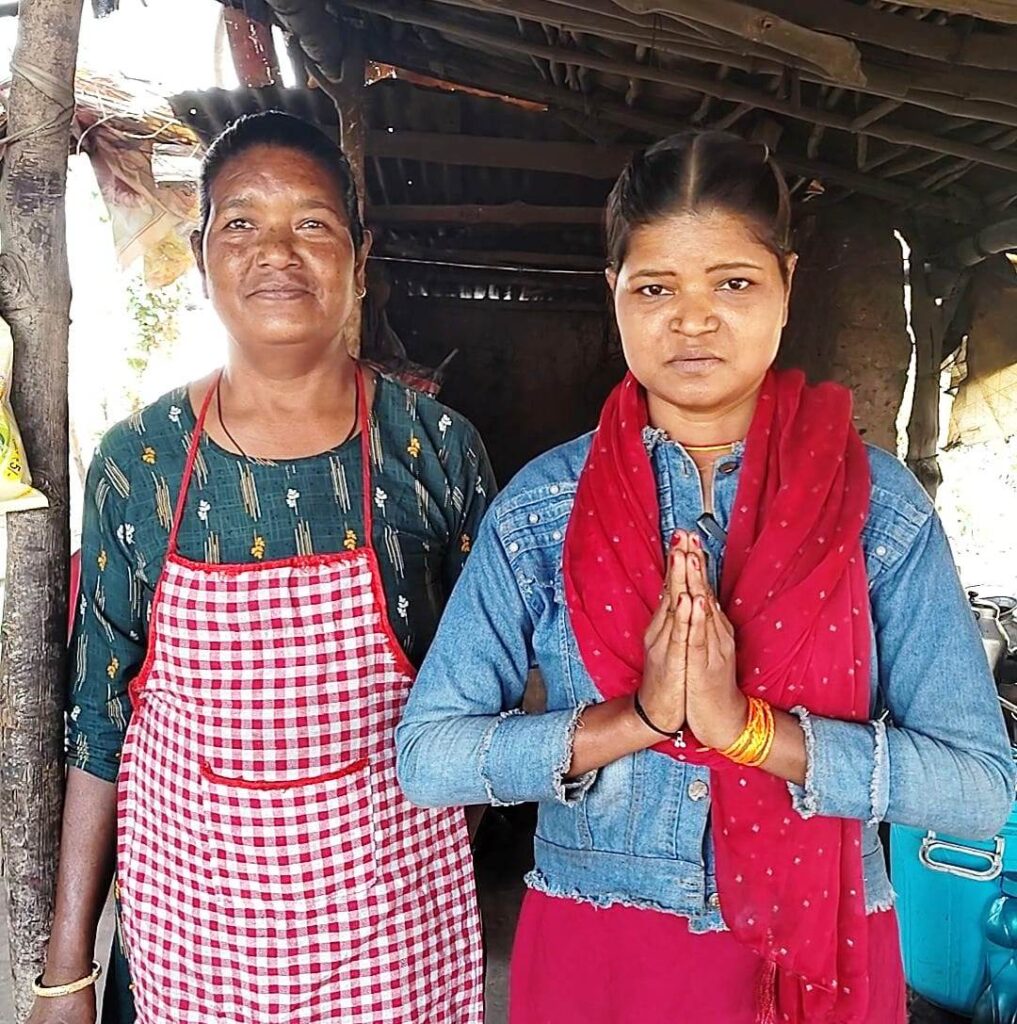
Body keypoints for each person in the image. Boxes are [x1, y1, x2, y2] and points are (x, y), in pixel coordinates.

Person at [395, 130, 1015, 1024]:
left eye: (732, 283)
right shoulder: (542, 510)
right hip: (600, 950)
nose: (692, 320)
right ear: (613, 292)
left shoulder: (875, 509)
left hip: (818, 946)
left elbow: (977, 786)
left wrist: (752, 733)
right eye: (655, 287)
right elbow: (428, 757)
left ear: (785, 286)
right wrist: (636, 720)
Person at [32, 111, 492, 1024]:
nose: (276, 251)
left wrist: (424, 854)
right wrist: (67, 968)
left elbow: (492, 697)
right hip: (192, 931)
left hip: (391, 937)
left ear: (360, 254)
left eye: (311, 223)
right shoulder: (140, 463)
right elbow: (100, 724)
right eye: (241, 222)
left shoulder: (436, 450)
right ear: (201, 254)